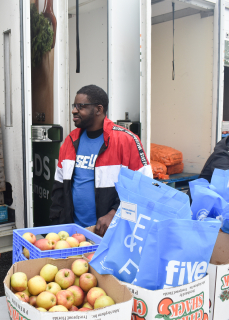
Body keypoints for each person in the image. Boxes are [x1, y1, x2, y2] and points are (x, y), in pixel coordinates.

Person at [49, 85, 152, 236]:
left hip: (111, 233)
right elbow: (59, 189)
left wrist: (114, 214)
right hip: (74, 234)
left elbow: (145, 187)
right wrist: (56, 227)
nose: (74, 110)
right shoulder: (70, 141)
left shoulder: (126, 140)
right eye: (74, 106)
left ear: (98, 109)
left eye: (81, 106)